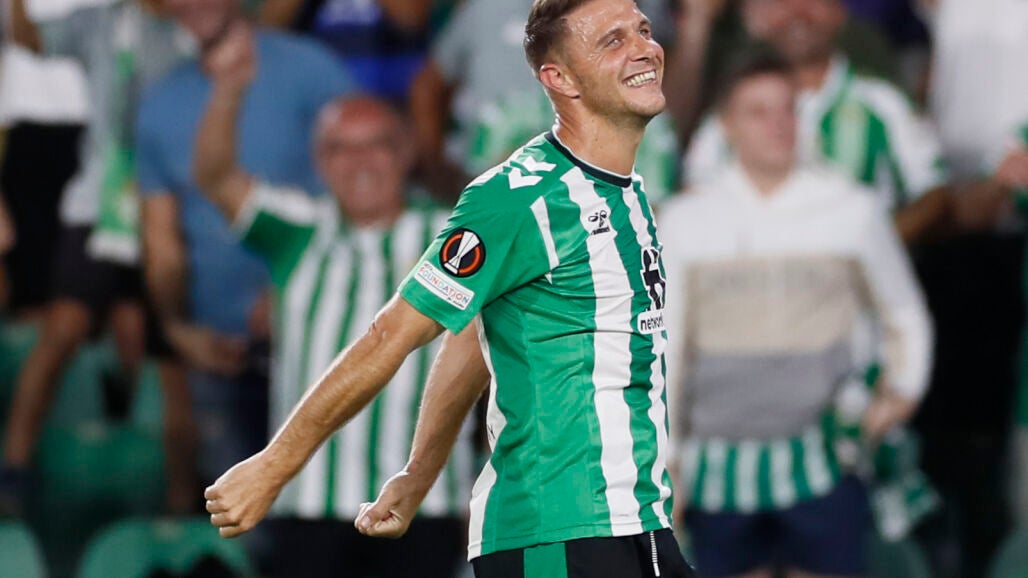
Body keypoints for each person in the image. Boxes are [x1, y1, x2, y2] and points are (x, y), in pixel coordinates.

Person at [204, 1, 695, 577]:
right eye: (612, 41)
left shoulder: (627, 193)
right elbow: (391, 333)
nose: (644, 48)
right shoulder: (521, 197)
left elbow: (472, 336)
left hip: (636, 520)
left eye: (643, 30)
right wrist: (273, 465)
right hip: (560, 532)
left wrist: (418, 471)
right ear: (560, 79)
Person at [193, 22, 470, 578]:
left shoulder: (455, 239)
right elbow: (217, 178)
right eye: (339, 149)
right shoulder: (297, 230)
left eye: (375, 145)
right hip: (307, 505)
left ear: (405, 152)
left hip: (422, 507)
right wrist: (228, 90)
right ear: (319, 162)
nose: (358, 162)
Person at [661, 51, 932, 578]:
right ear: (727, 125)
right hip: (716, 466)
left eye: (788, 109)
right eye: (758, 112)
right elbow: (666, 344)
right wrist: (665, 455)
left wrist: (900, 393)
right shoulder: (687, 220)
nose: (778, 125)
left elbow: (902, 310)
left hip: (823, 456)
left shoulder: (849, 209)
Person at [135, 0, 352, 487]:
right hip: (220, 350)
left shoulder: (309, 68)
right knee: (237, 515)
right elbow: (161, 240)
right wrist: (177, 328)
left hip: (319, 341)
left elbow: (361, 187)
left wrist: (291, 291)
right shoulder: (159, 101)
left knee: (323, 499)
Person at [0, 0, 193, 516]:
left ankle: (184, 509)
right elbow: (32, 39)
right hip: (97, 203)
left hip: (167, 203)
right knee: (63, 326)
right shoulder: (103, 21)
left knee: (167, 354)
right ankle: (13, 473)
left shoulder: (194, 25)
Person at [684, 0, 950, 244]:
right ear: (757, 20)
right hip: (753, 268)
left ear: (840, 13)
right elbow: (695, 196)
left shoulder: (883, 102)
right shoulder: (730, 112)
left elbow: (935, 196)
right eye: (780, 2)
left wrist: (870, 242)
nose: (798, 11)